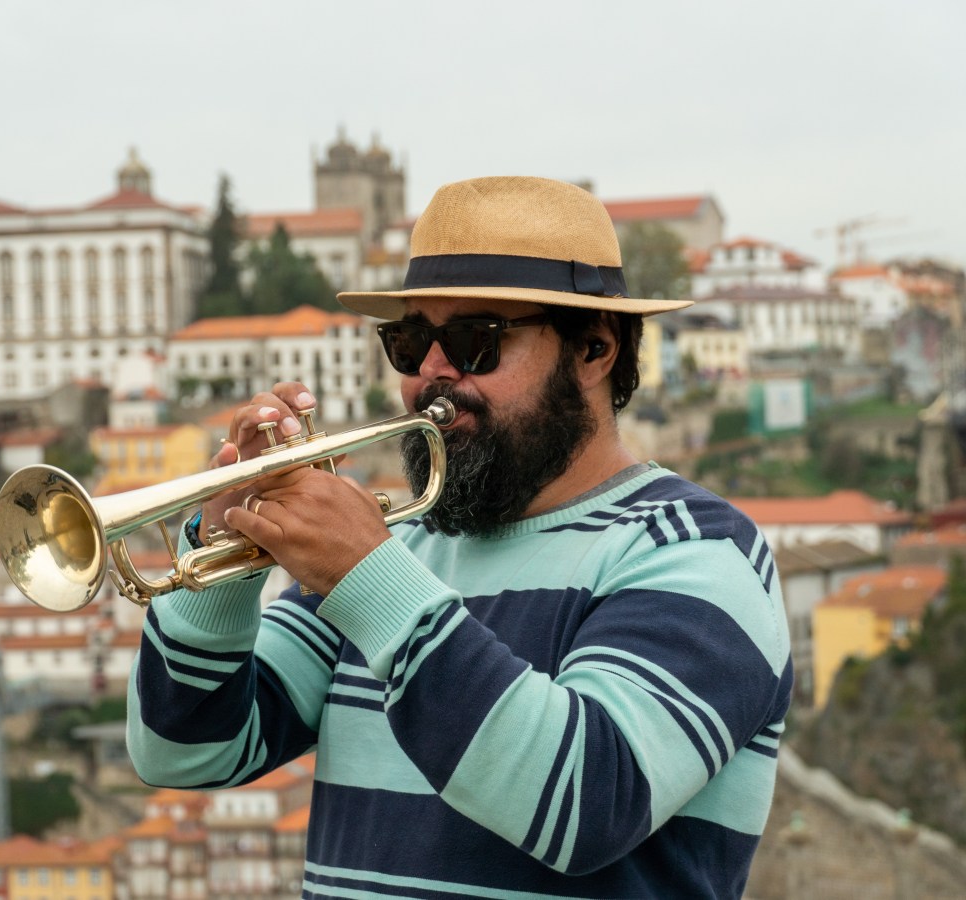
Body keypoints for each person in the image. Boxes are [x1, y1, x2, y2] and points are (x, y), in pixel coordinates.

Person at [126, 176, 792, 899]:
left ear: (595, 348)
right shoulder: (403, 550)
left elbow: (584, 804)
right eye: (412, 342)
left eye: (477, 341)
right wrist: (223, 553)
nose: (433, 375)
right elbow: (183, 754)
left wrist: (367, 575)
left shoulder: (694, 551)